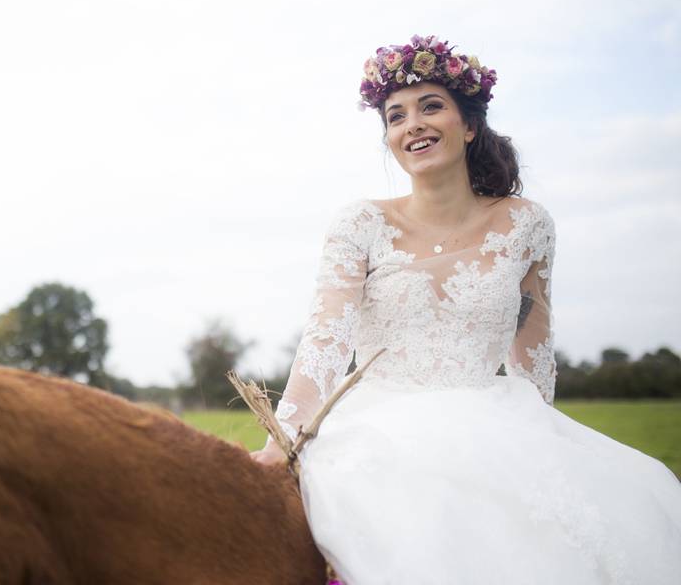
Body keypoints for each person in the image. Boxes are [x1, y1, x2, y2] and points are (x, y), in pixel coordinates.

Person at [250, 35, 681, 584]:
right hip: (378, 427)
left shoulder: (527, 225)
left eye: (431, 107)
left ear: (469, 125)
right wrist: (279, 445)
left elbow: (533, 351)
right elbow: (324, 343)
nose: (413, 125)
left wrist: (545, 445)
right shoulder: (359, 224)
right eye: (395, 116)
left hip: (494, 425)